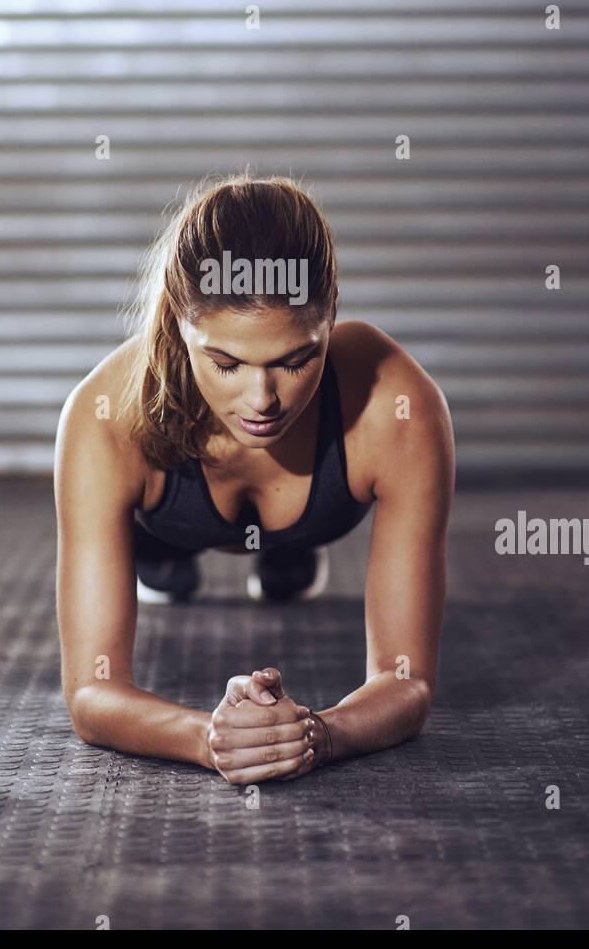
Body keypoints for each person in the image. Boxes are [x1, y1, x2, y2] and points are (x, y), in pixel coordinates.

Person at [54, 171, 455, 783]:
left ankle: (286, 549)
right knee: (163, 561)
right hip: (171, 521)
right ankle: (161, 554)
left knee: (289, 550)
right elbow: (91, 696)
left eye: (297, 360)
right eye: (225, 362)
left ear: (331, 319)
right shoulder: (105, 415)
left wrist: (317, 735)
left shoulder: (399, 406)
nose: (262, 399)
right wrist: (211, 738)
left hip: (312, 514)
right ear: (181, 327)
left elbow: (409, 683)